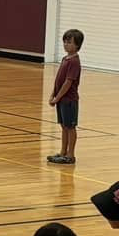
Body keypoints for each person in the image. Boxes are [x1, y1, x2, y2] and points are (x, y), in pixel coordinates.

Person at [48, 28, 83, 164]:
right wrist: (53, 94)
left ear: (77, 45)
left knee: (70, 127)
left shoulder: (74, 62)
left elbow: (68, 82)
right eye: (65, 41)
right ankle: (63, 151)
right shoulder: (65, 59)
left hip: (69, 100)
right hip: (61, 99)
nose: (66, 44)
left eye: (69, 42)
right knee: (63, 126)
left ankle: (70, 154)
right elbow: (58, 80)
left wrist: (58, 97)